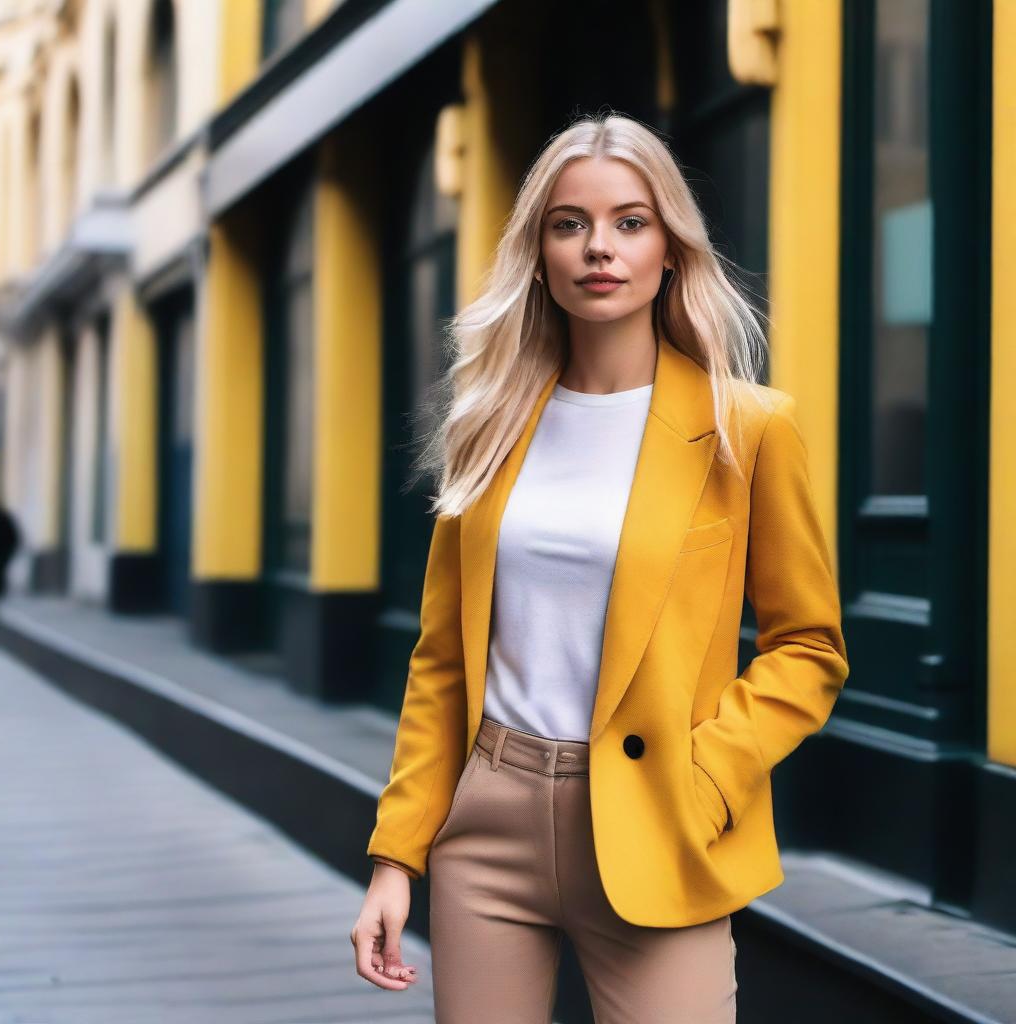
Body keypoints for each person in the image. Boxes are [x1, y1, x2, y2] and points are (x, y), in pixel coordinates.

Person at [351, 112, 849, 1022]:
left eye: (630, 221)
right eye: (569, 224)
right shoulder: (491, 424)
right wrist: (397, 856)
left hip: (659, 821)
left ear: (671, 246)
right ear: (538, 252)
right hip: (488, 823)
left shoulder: (749, 430)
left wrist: (704, 776)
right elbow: (442, 665)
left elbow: (808, 646)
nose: (599, 249)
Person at [0, 499, 19, 600]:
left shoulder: (2, 519)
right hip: (2, 552)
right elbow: (14, 537)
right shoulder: (5, 519)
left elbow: (13, 537)